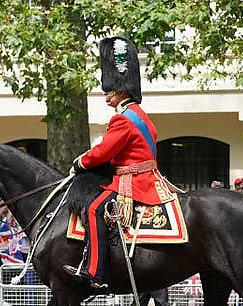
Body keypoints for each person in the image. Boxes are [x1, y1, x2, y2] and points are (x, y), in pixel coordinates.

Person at [63, 36, 174, 289]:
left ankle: (95, 272)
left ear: (121, 87)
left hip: (133, 181)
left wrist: (80, 162)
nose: (105, 94)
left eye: (109, 88)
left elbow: (103, 152)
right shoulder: (140, 115)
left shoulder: (123, 119)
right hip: (146, 176)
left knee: (93, 209)